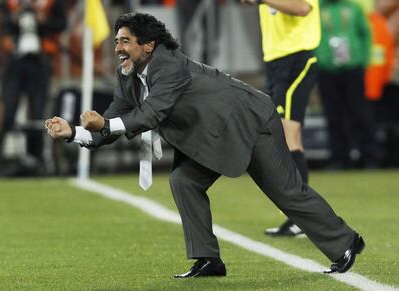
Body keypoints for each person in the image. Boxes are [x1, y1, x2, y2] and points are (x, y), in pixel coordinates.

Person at [45, 12, 365, 278]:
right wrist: (72, 132)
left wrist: (103, 124)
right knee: (183, 181)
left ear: (149, 44)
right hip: (209, 133)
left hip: (248, 120)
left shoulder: (168, 65)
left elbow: (151, 113)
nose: (118, 48)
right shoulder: (128, 74)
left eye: (126, 41)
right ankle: (208, 260)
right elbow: (114, 120)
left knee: (286, 191)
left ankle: (345, 242)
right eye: (116, 41)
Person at [240, 0, 320, 237]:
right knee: (283, 136)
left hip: (298, 58)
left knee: (289, 134)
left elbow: (303, 8)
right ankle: (299, 216)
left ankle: (303, 217)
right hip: (276, 61)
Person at [0, 0, 66, 173]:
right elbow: (2, 22)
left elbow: (61, 23)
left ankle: (36, 159)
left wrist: (44, 21)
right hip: (14, 61)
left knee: (38, 113)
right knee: (8, 111)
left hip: (40, 61)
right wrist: (14, 18)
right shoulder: (11, 3)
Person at [316, 0, 377, 169]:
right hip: (326, 70)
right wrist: (318, 60)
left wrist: (363, 61)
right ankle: (339, 158)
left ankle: (368, 157)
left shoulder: (353, 8)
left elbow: (366, 34)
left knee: (360, 112)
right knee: (333, 115)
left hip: (353, 69)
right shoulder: (315, 9)